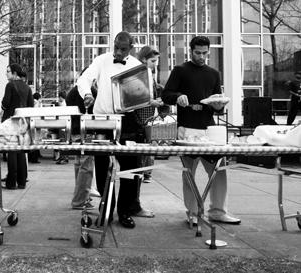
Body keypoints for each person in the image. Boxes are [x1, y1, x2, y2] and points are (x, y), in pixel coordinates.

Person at [77, 31, 154, 229]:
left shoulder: (138, 67)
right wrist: (87, 94)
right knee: (102, 168)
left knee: (130, 169)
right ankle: (105, 209)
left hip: (129, 122)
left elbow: (145, 95)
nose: (119, 53)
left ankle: (125, 212)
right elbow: (83, 79)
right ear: (113, 45)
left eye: (123, 49)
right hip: (103, 121)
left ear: (131, 48)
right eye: (116, 48)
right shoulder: (102, 60)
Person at [161, 35, 241, 225]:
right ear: (191, 51)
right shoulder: (180, 70)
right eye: (197, 53)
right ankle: (193, 212)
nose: (201, 56)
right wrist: (178, 96)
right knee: (188, 172)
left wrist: (218, 106)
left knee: (219, 169)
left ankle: (218, 211)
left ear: (209, 51)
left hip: (209, 129)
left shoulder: (213, 73)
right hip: (186, 128)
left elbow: (218, 101)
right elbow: (166, 95)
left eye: (205, 53)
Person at [134, 46, 168, 183]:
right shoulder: (140, 75)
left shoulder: (149, 75)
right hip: (141, 117)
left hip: (149, 116)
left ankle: (145, 173)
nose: (155, 64)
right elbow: (137, 97)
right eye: (153, 61)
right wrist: (152, 102)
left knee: (150, 144)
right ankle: (143, 173)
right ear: (143, 59)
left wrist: (157, 101)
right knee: (145, 145)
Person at [1, 64, 33, 189]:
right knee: (20, 151)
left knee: (12, 152)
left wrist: (4, 108)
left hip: (11, 121)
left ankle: (11, 182)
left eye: (8, 71)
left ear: (14, 73)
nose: (6, 74)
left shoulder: (10, 85)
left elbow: (5, 103)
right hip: (23, 122)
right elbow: (31, 106)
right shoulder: (27, 87)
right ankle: (22, 181)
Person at [68, 67, 96, 210]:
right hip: (87, 131)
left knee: (79, 165)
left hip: (74, 131)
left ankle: (82, 197)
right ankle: (80, 200)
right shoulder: (90, 93)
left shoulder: (72, 92)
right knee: (86, 167)